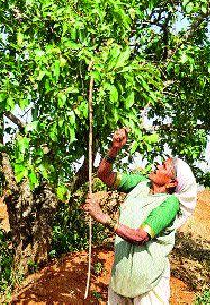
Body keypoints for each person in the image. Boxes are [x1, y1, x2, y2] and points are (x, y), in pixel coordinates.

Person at [83, 129, 197, 304]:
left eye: (164, 167)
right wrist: (114, 148)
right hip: (120, 282)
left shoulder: (170, 203)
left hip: (149, 288)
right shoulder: (139, 184)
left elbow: (140, 236)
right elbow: (104, 175)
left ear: (172, 183)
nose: (157, 166)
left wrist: (102, 217)